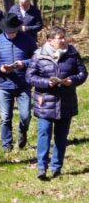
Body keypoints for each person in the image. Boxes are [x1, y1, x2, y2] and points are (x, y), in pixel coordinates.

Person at [27, 27, 87, 180]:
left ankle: (56, 167)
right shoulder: (38, 55)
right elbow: (30, 77)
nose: (63, 40)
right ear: (49, 40)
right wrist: (46, 83)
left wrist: (71, 81)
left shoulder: (72, 53)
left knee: (61, 136)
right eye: (59, 38)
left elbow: (82, 73)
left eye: (63, 37)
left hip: (66, 101)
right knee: (44, 132)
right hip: (45, 101)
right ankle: (41, 167)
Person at [0, 13, 36, 153]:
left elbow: (37, 59)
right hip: (4, 84)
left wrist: (23, 63)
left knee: (26, 115)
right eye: (8, 32)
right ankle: (6, 144)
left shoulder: (28, 39)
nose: (11, 34)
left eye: (13, 32)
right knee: (5, 117)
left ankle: (22, 131)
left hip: (23, 84)